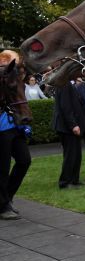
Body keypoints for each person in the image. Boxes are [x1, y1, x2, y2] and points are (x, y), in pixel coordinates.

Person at [0, 51, 32, 220]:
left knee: (24, 160)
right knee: (2, 168)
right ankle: (3, 205)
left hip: (14, 124)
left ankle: (7, 198)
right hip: (1, 127)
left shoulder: (13, 78)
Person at [53, 81, 85, 189]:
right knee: (70, 155)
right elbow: (65, 107)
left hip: (70, 127)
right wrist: (73, 125)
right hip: (67, 128)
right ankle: (65, 182)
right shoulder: (64, 84)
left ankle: (74, 180)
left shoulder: (68, 84)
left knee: (76, 155)